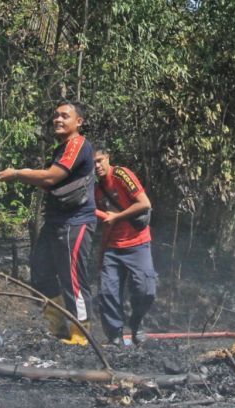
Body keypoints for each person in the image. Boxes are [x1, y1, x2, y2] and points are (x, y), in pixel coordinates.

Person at [0, 100, 97, 343]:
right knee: (40, 268)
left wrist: (18, 173)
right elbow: (48, 181)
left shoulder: (76, 145)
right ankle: (58, 324)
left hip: (75, 221)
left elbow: (52, 177)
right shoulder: (62, 149)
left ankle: (80, 334)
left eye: (65, 116)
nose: (58, 119)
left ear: (78, 122)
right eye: (56, 115)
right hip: (56, 220)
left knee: (73, 278)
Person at [93, 145, 156, 346]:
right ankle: (115, 336)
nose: (97, 166)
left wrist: (118, 216)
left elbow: (144, 203)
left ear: (107, 158)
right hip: (113, 246)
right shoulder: (95, 189)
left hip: (138, 243)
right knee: (107, 292)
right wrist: (101, 254)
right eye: (92, 163)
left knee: (146, 290)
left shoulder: (121, 175)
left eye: (99, 161)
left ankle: (136, 323)